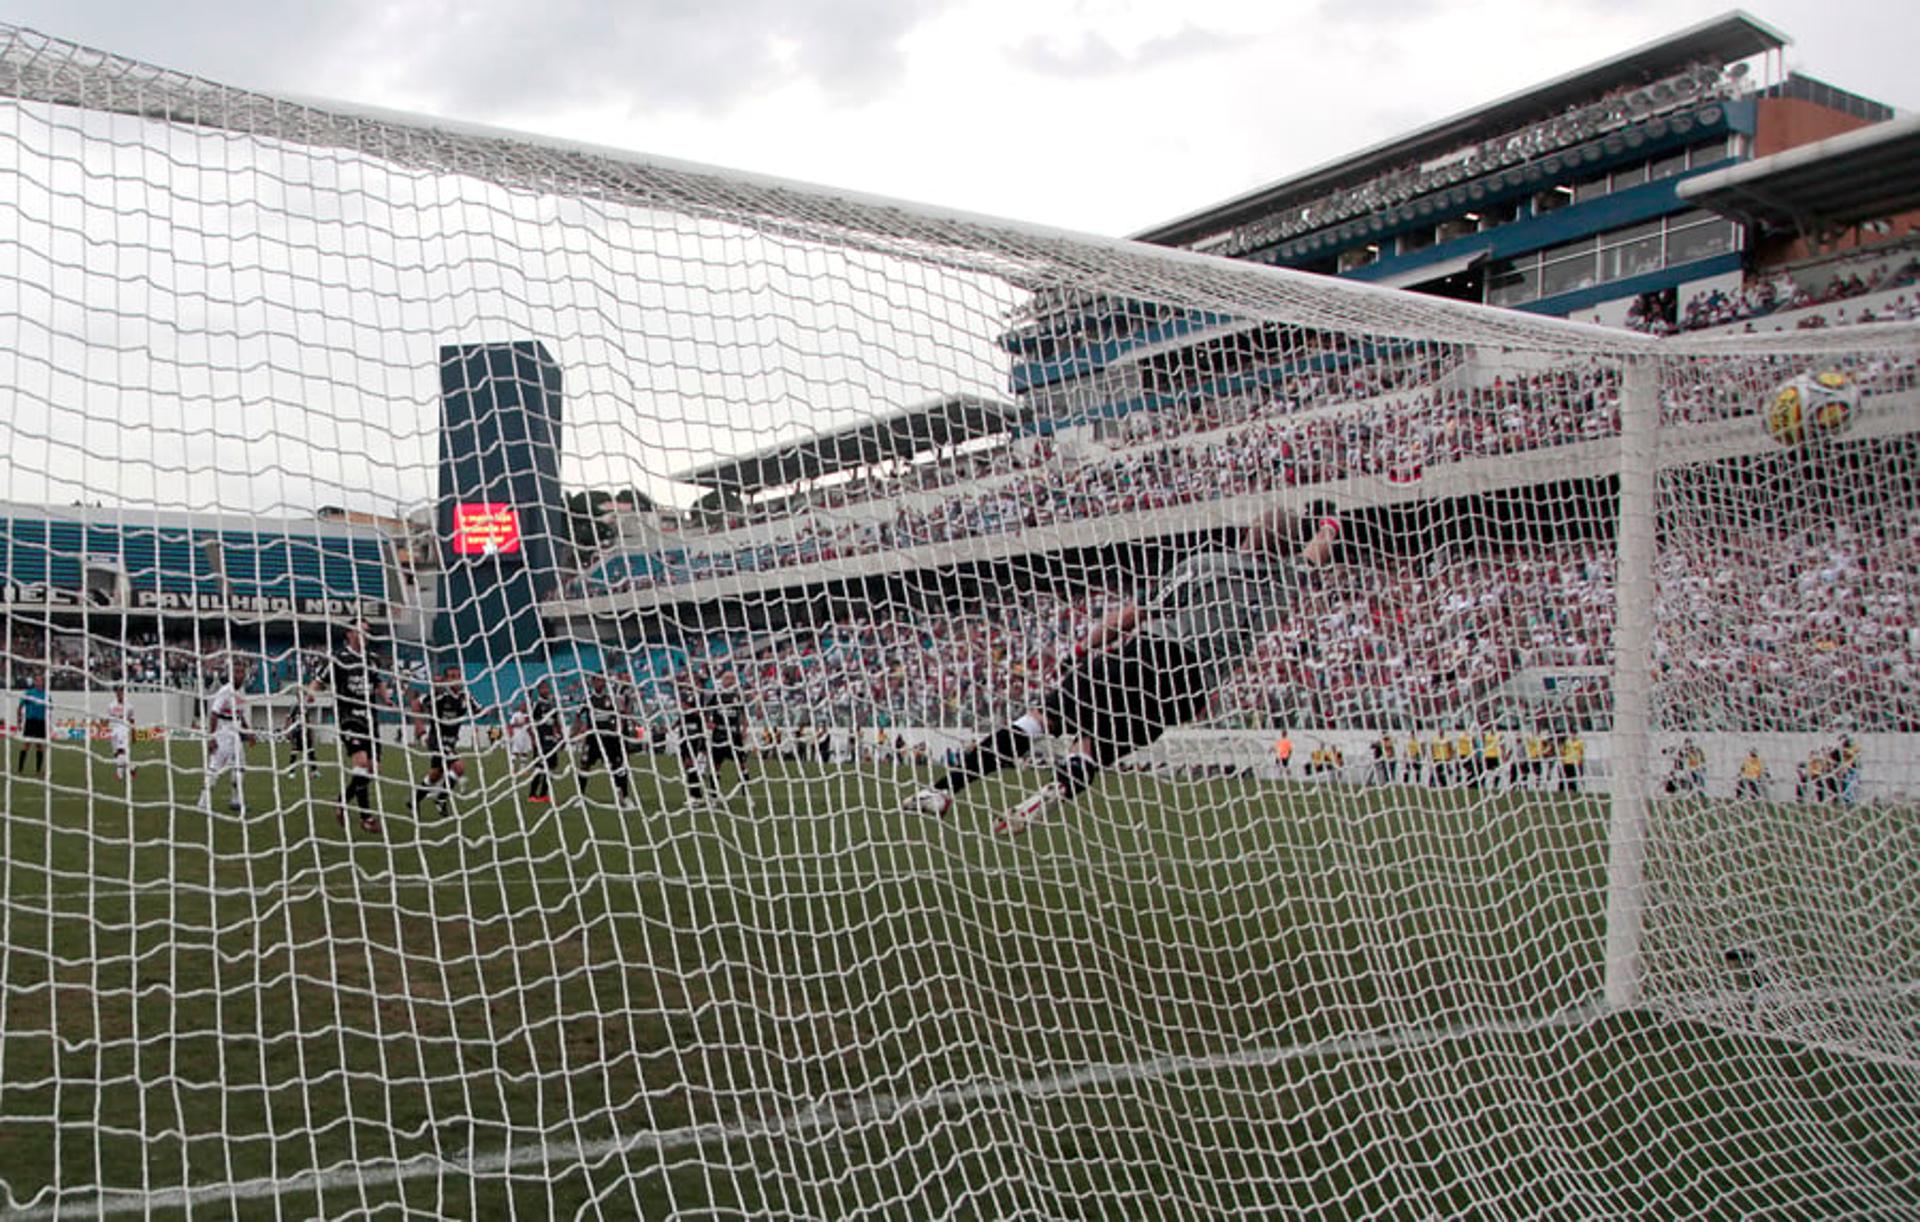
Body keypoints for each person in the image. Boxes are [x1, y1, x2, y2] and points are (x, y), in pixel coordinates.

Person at [907, 503, 1343, 832]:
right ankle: (1055, 791)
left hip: (1150, 655)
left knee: (1041, 719)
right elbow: (1316, 553)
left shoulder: (1208, 564)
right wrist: (1327, 523)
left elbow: (1135, 613)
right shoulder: (1285, 584)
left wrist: (1084, 648)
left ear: (1249, 532)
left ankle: (945, 790)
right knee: (1094, 745)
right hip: (1190, 691)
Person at [323, 623, 387, 834]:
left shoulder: (371, 659)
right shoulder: (339, 657)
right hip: (349, 718)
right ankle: (366, 818)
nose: (365, 634)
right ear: (350, 633)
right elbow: (319, 679)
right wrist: (309, 695)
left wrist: (386, 698)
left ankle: (342, 801)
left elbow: (378, 682)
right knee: (360, 762)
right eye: (361, 630)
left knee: (372, 769)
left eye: (368, 631)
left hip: (370, 720)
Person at [412, 665, 474, 819]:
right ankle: (440, 799)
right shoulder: (439, 695)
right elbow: (415, 703)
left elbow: (479, 710)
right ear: (445, 680)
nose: (456, 679)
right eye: (452, 676)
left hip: (451, 742)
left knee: (435, 775)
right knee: (459, 766)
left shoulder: (464, 696)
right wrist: (420, 727)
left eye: (458, 675)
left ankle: (414, 801)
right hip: (436, 740)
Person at [575, 673, 634, 806]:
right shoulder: (588, 699)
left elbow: (622, 714)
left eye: (603, 680)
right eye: (598, 680)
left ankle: (624, 796)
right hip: (593, 739)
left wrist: (620, 729)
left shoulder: (612, 698)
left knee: (618, 767)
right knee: (584, 765)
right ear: (593, 682)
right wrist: (578, 730)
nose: (601, 683)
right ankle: (581, 796)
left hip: (610, 739)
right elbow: (578, 715)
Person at [199, 664, 246, 814]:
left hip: (235, 734)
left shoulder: (241, 692)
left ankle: (235, 800)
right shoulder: (225, 691)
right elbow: (213, 714)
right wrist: (212, 738)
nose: (240, 675)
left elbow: (239, 714)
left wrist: (249, 731)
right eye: (237, 672)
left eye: (242, 672)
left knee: (240, 766)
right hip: (223, 733)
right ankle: (203, 802)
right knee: (214, 768)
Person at [526, 680, 566, 805]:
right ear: (539, 690)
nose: (546, 690)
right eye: (543, 688)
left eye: (547, 688)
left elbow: (556, 723)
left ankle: (543, 794)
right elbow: (529, 722)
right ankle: (532, 794)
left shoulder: (552, 705)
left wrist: (562, 737)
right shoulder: (536, 704)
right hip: (540, 741)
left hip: (551, 741)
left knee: (551, 769)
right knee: (539, 768)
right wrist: (533, 739)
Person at [15, 673, 48, 775]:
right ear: (34, 682)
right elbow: (20, 707)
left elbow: (49, 710)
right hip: (30, 722)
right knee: (26, 745)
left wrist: (48, 724)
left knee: (40, 746)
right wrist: (19, 721)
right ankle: (20, 769)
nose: (39, 683)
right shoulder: (29, 693)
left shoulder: (46, 695)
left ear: (43, 682)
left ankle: (38, 771)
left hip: (41, 723)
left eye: (40, 681)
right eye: (37, 681)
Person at [105, 684, 135, 784]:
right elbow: (108, 719)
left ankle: (119, 774)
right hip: (114, 730)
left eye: (121, 692)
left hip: (124, 729)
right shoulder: (111, 705)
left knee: (121, 751)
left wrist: (134, 733)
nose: (119, 694)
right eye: (118, 692)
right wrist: (104, 727)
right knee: (116, 754)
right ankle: (132, 767)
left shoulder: (129, 706)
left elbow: (132, 720)